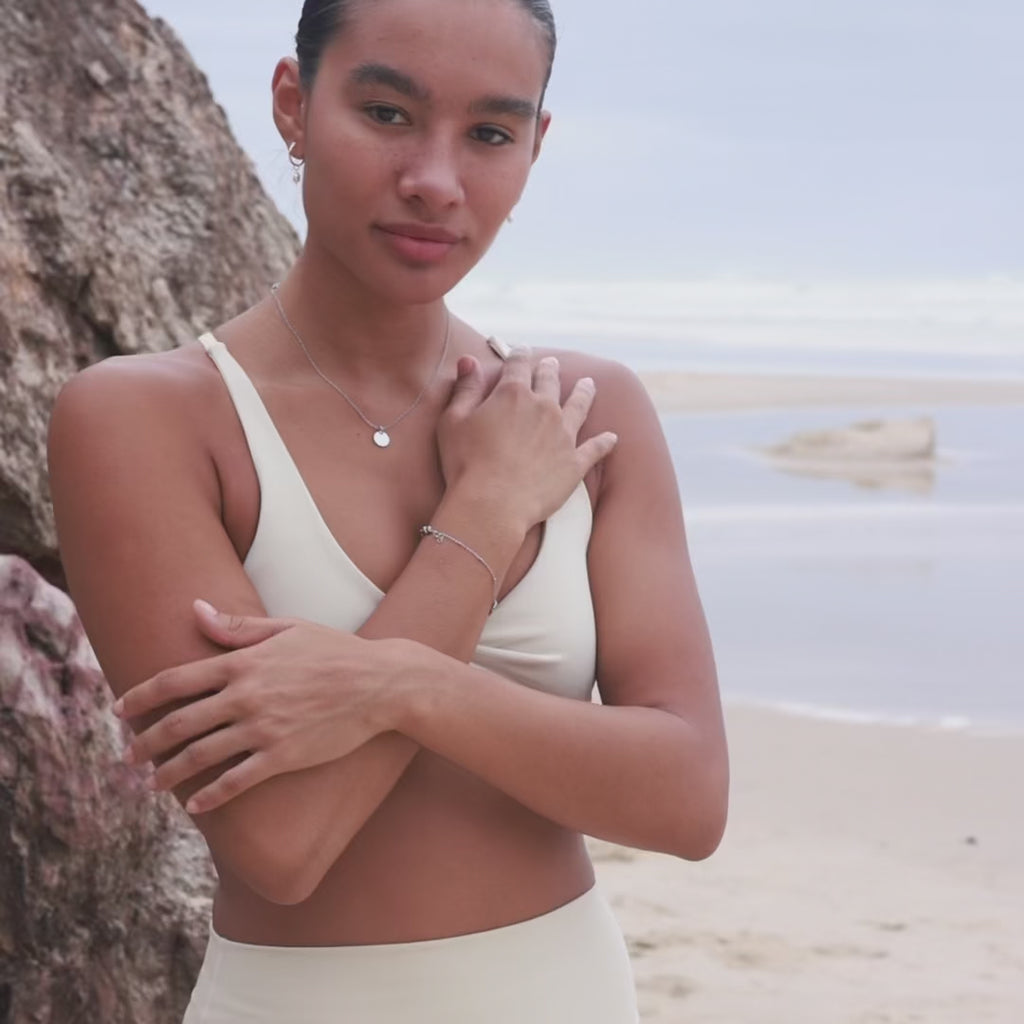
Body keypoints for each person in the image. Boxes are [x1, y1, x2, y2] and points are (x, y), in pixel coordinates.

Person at [47, 0, 728, 1020]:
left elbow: (685, 797)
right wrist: (484, 522)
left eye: (490, 134)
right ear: (293, 103)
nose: (435, 182)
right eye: (386, 112)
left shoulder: (584, 416)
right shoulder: (145, 421)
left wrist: (396, 683)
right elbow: (284, 841)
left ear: (535, 146)